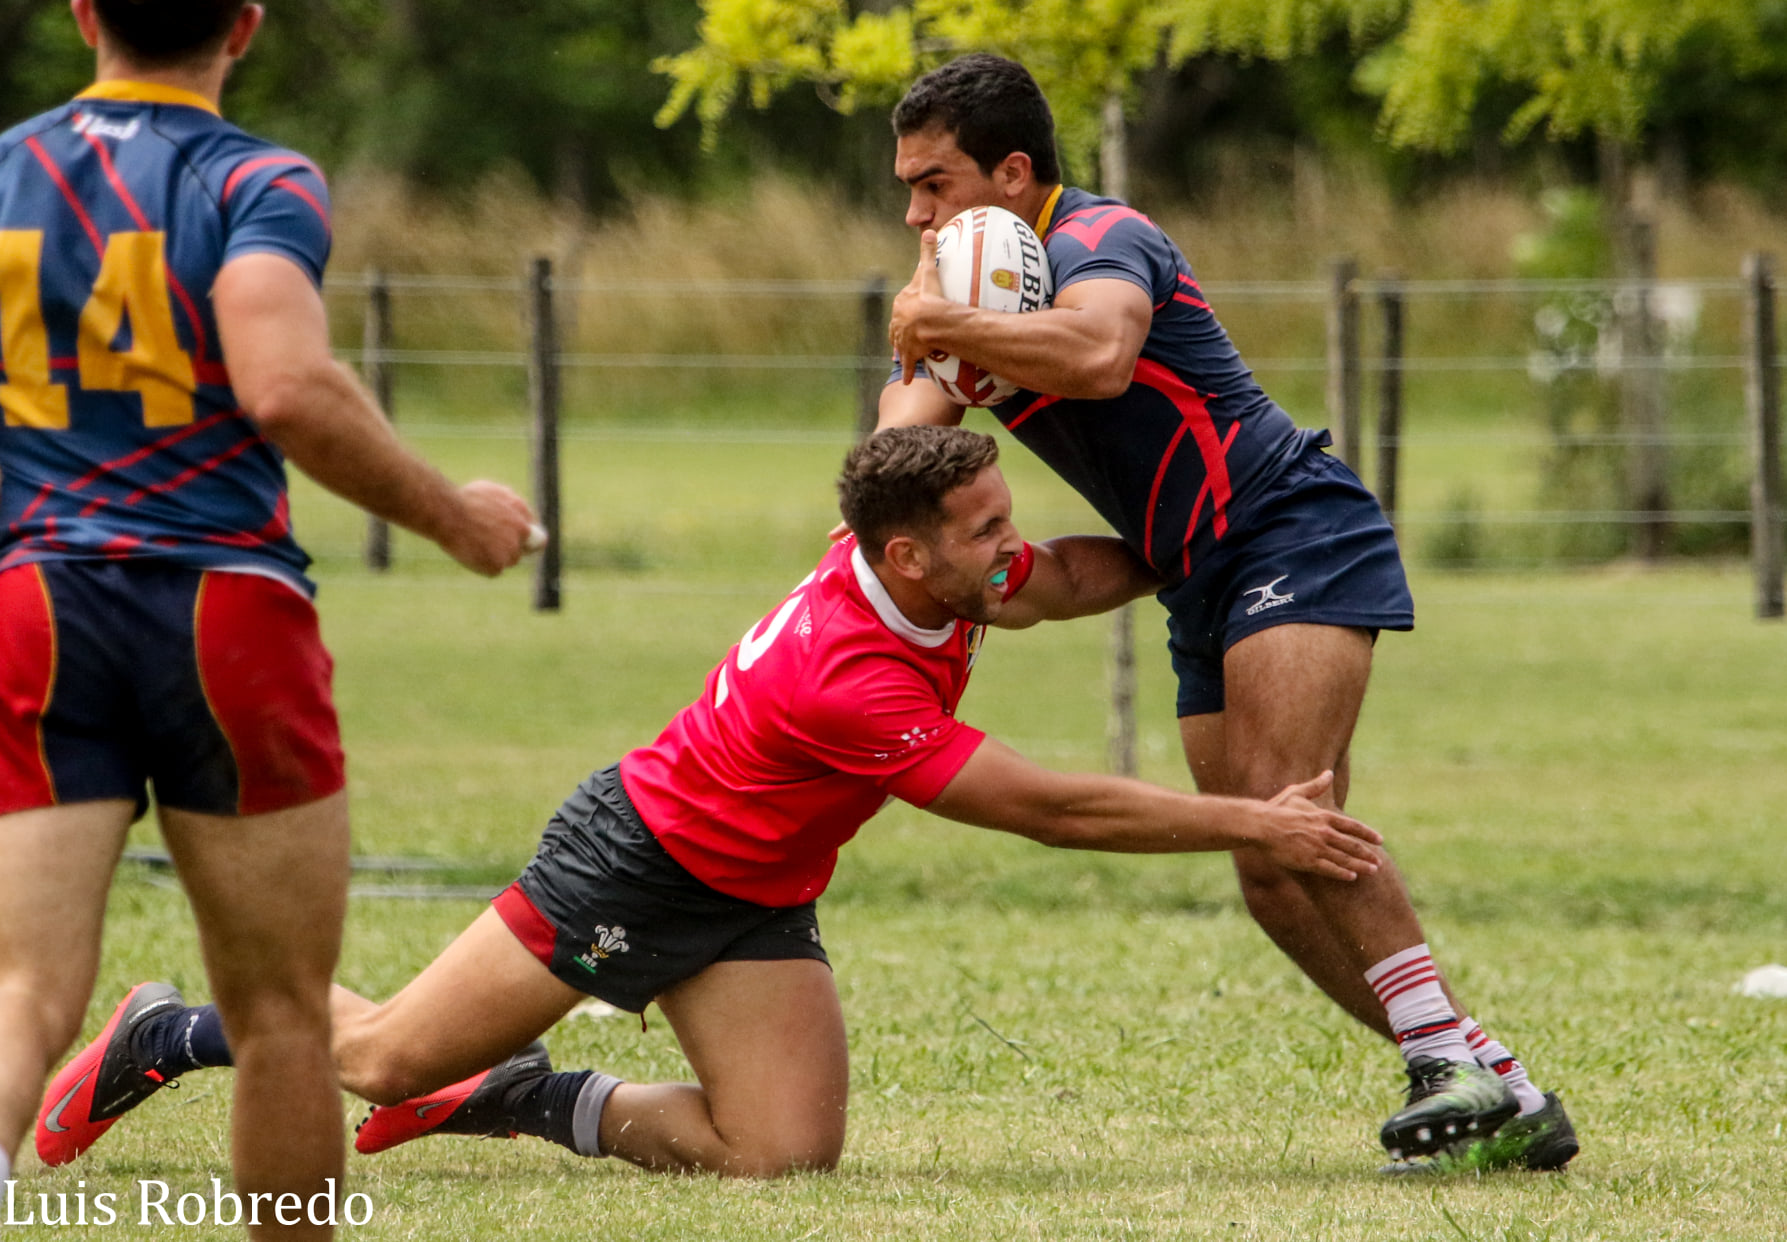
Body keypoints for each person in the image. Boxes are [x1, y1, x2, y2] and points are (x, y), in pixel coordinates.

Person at [42, 426, 1385, 1178]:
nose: (1009, 545)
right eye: (984, 531)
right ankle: (177, 1026)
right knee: (383, 1055)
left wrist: (1216, 531)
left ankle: (512, 1094)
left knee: (778, 1152)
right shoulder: (849, 674)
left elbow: (1067, 570)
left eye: (1002, 517)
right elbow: (1049, 808)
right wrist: (1253, 821)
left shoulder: (913, 554)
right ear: (905, 555)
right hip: (632, 863)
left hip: (753, 887)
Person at [877, 54, 1576, 1172]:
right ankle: (1494, 1080)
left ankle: (1449, 1066)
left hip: (1292, 526)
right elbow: (898, 452)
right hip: (1195, 573)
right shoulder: (970, 287)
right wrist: (920, 388)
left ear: (1013, 172)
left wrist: (946, 327)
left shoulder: (1101, 239)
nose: (913, 212)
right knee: (1262, 866)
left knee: (1283, 806)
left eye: (934, 183)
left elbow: (1100, 355)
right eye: (905, 189)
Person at [0, 0, 539, 1228]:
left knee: (23, 988)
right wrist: (456, 517)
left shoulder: (7, 172)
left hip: (36, 603)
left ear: (84, 14)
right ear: (243, 25)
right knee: (284, 1013)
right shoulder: (252, 175)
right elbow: (286, 383)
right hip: (221, 608)